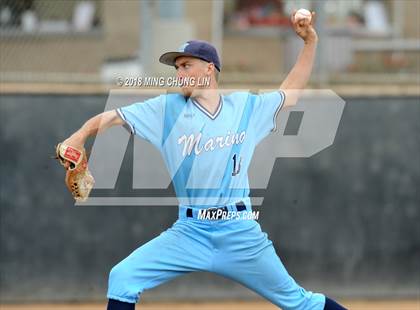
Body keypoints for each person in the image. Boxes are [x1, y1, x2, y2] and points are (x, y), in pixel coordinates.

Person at [61, 10, 347, 310]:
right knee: (122, 278)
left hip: (239, 231)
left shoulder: (245, 106)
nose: (179, 72)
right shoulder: (166, 109)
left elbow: (290, 94)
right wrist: (78, 138)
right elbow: (112, 117)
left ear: (209, 69)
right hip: (190, 231)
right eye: (177, 67)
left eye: (186, 65)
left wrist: (310, 42)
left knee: (299, 302)